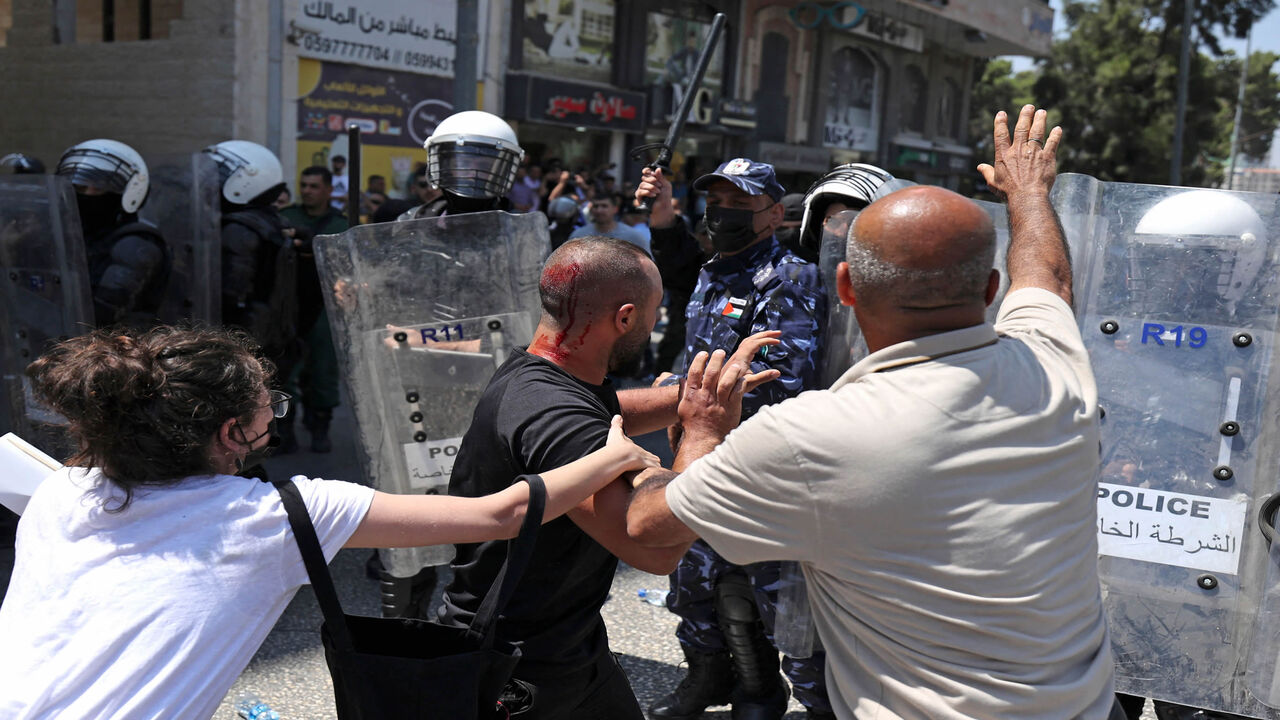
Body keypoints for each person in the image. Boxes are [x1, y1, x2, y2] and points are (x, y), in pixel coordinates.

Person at [624, 105, 1121, 720]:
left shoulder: (812, 433)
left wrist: (698, 429)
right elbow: (1047, 276)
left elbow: (648, 530)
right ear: (991, 291)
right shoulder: (1056, 370)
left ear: (845, 288)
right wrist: (1028, 191)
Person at [0, 325, 659, 719]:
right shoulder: (276, 518)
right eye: (270, 410)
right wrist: (612, 456)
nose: (273, 419)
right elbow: (503, 513)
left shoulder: (66, 492)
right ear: (235, 432)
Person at [437, 237, 779, 719]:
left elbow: (605, 409)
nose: (657, 322)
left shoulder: (542, 374)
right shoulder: (548, 413)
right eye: (653, 312)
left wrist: (700, 392)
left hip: (570, 647)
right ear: (624, 318)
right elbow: (655, 544)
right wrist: (701, 431)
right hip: (515, 665)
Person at [637, 158, 833, 719]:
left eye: (740, 205)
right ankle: (722, 680)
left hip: (761, 462)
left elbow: (777, 380)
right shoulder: (712, 271)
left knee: (775, 598)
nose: (723, 215)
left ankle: (818, 704)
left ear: (774, 213)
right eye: (717, 202)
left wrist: (676, 390)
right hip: (700, 451)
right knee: (696, 581)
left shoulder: (788, 277)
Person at [203, 140, 298, 370]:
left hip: (240, 342)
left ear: (245, 181)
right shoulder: (269, 221)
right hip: (263, 339)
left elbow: (230, 295)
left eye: (221, 174)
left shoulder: (240, 229)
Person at [55, 139, 170, 329]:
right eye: (79, 188)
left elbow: (98, 316)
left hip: (119, 352)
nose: (86, 195)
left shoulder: (135, 245)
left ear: (131, 192)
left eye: (98, 188)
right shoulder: (75, 235)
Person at [279, 166, 348, 453]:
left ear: (329, 190)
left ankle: (320, 428)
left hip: (324, 305)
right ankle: (285, 430)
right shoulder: (286, 218)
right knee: (284, 370)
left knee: (323, 370)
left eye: (314, 186)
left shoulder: (340, 223)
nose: (307, 190)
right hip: (288, 305)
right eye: (303, 185)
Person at [399, 110, 523, 220]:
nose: (472, 173)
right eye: (464, 163)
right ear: (443, 167)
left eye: (484, 165)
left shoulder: (519, 230)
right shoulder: (412, 222)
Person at [569, 193, 651, 254]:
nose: (599, 210)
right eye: (596, 206)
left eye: (604, 206)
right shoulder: (579, 235)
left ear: (615, 209)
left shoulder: (633, 236)